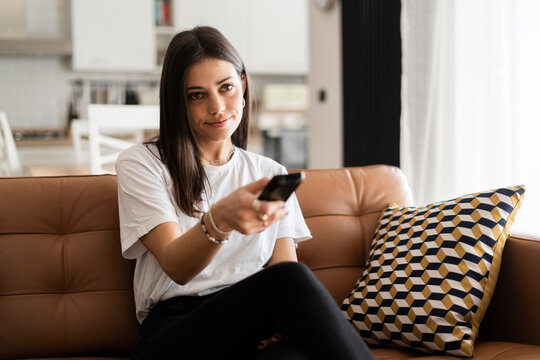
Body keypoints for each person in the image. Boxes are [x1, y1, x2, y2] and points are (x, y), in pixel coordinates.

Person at [116, 26, 373, 360]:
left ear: (244, 84)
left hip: (252, 321)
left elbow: (282, 271)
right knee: (289, 281)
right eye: (197, 95)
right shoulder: (143, 163)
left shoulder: (269, 173)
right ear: (178, 101)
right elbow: (177, 268)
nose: (218, 107)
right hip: (176, 330)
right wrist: (219, 219)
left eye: (226, 88)